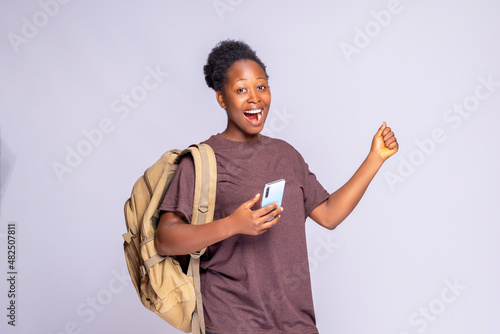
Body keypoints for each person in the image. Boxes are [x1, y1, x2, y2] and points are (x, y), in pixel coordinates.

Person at [154, 39, 398, 334]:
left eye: (261, 86)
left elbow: (329, 214)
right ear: (221, 99)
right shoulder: (202, 161)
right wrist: (232, 224)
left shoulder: (286, 154)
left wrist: (375, 158)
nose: (254, 98)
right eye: (241, 90)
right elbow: (165, 239)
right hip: (231, 321)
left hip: (294, 322)